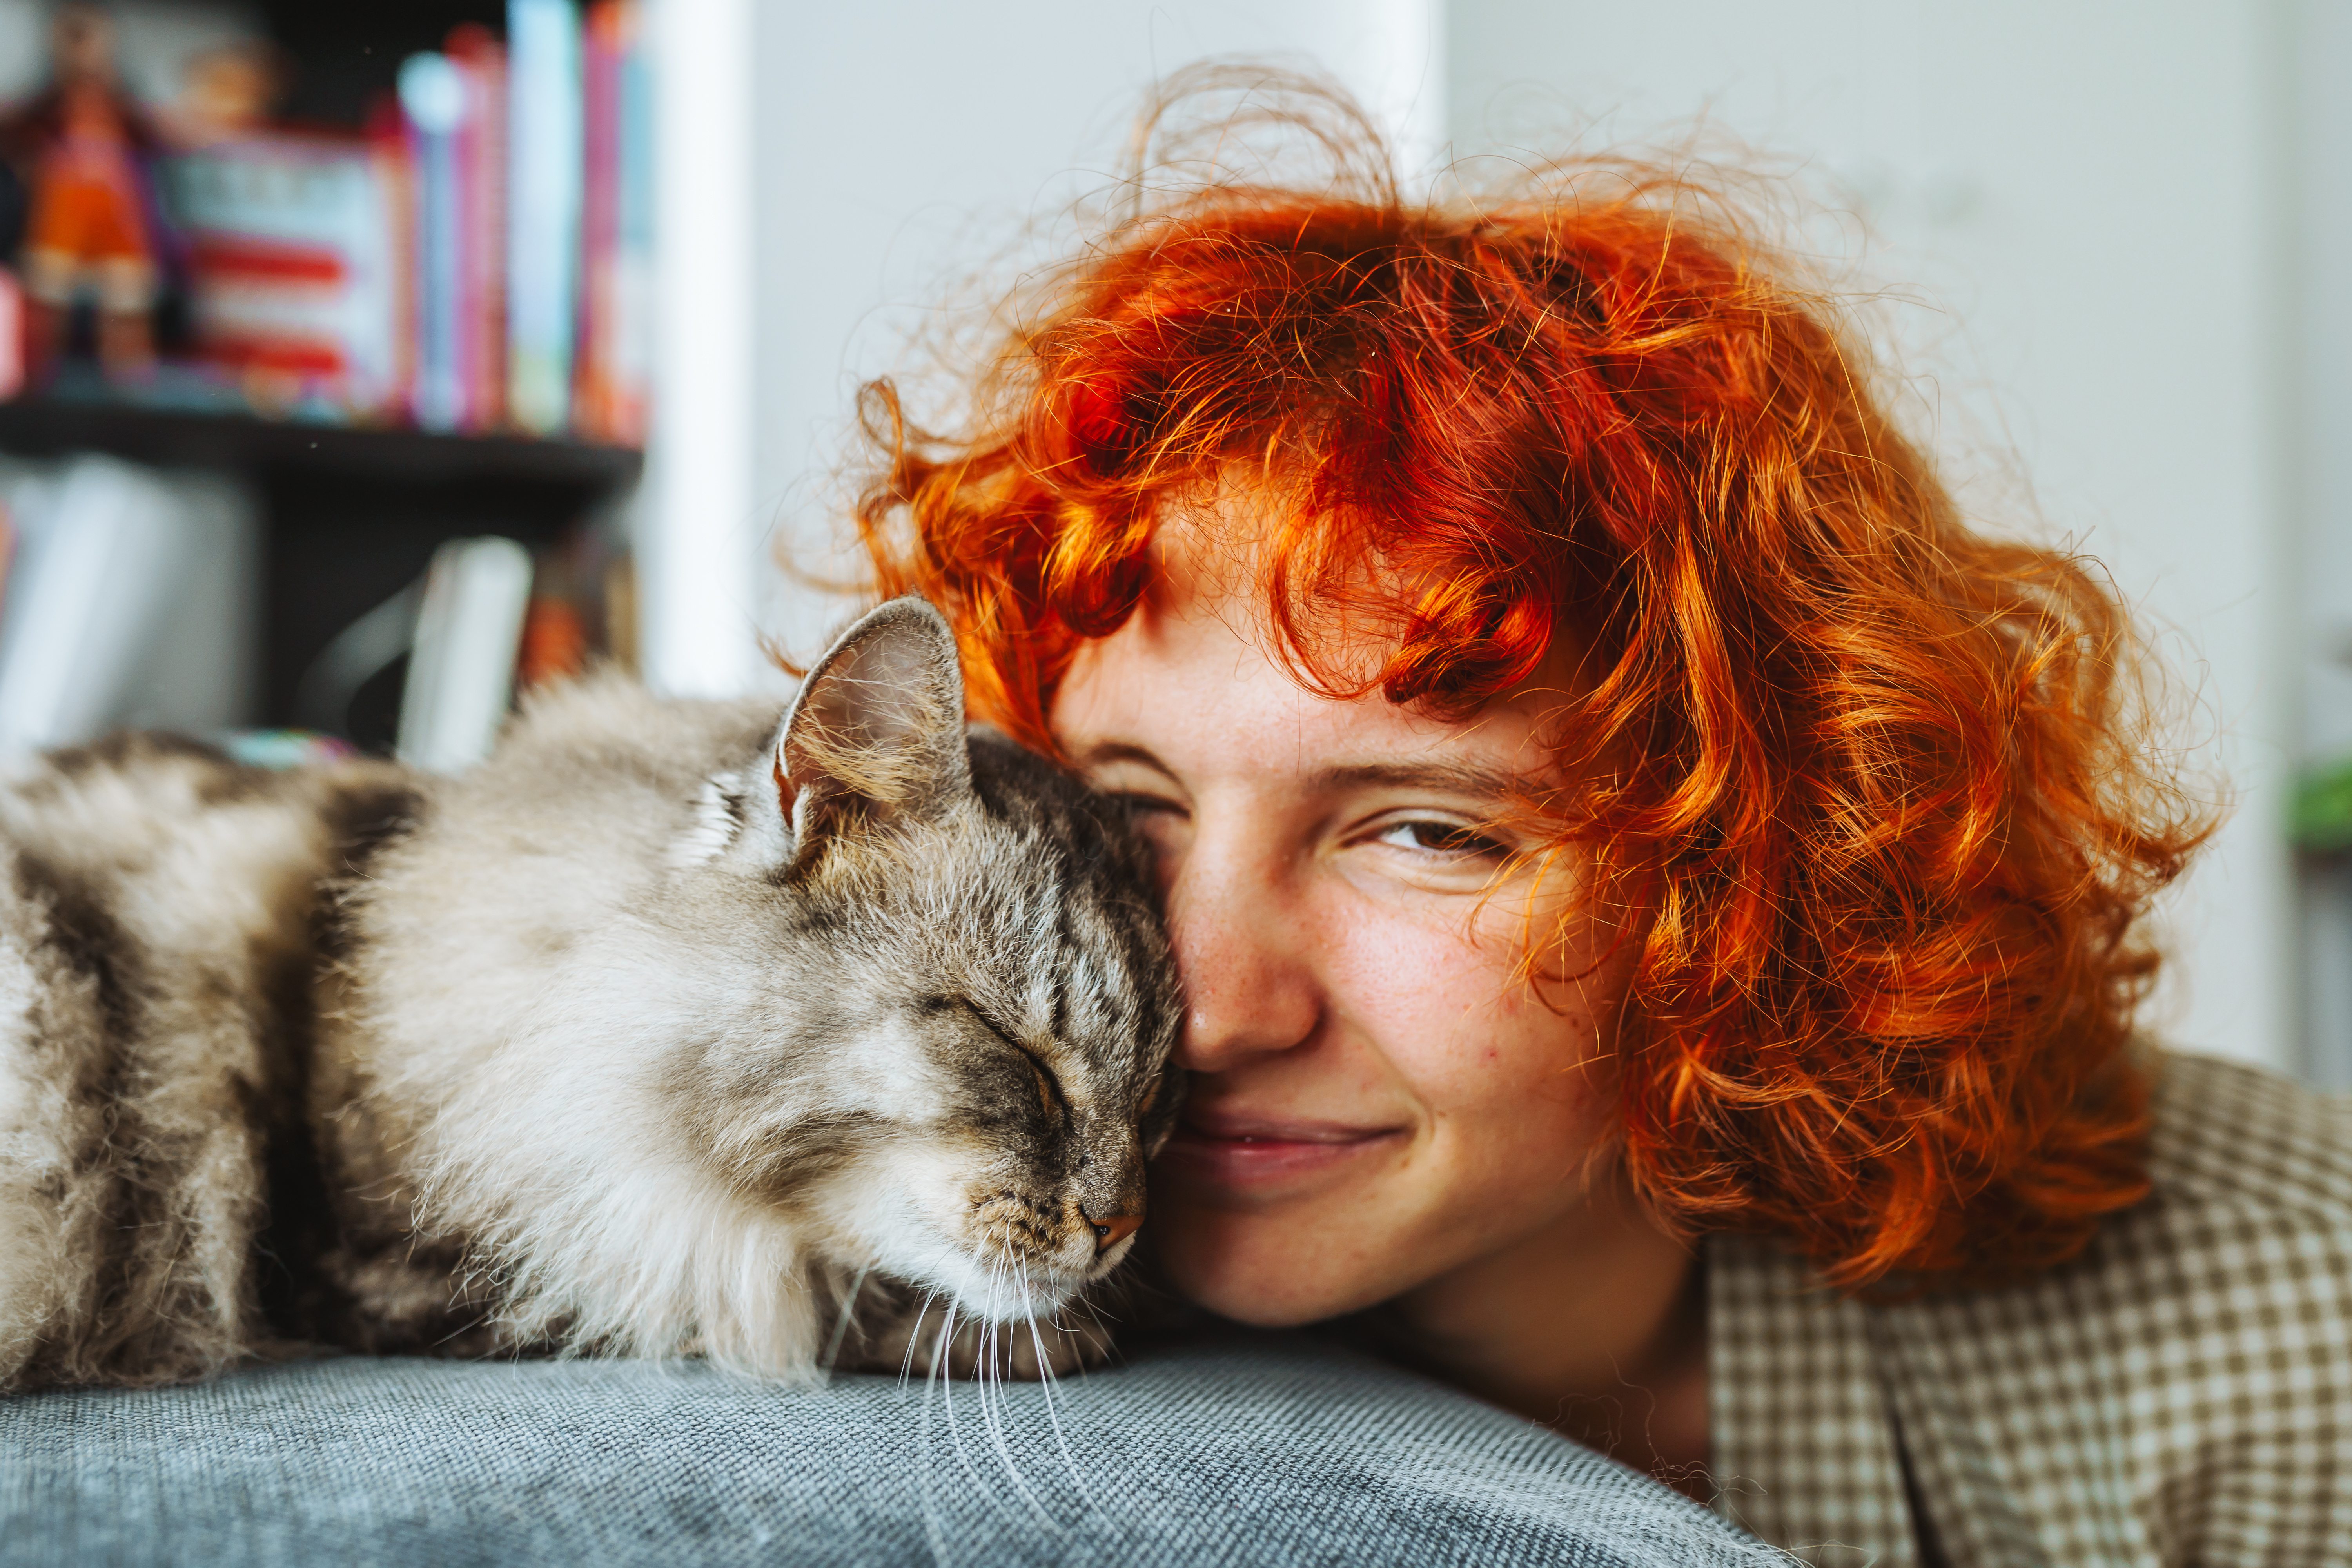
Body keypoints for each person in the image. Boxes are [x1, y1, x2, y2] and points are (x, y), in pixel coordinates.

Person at [848, 88, 2352, 1566]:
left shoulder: (2296, 1321)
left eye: (1430, 833)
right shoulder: (861, 1243)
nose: (1214, 1014)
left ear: (1752, 876)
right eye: (1129, 811)